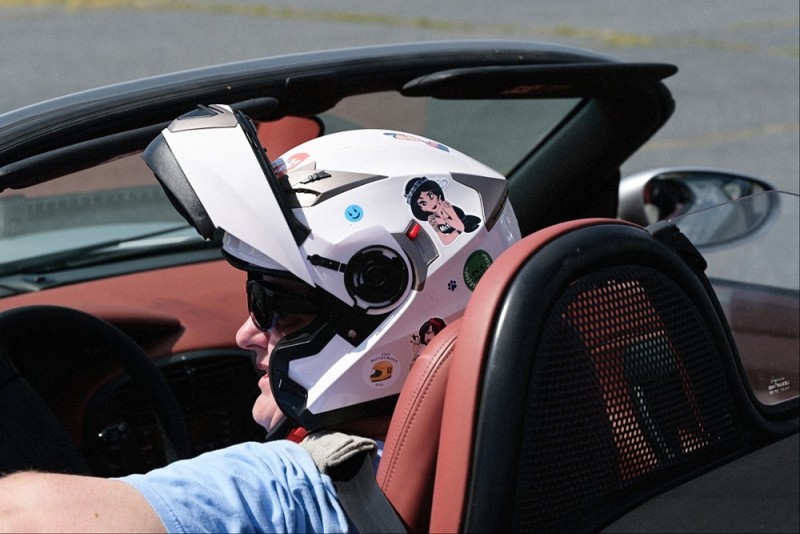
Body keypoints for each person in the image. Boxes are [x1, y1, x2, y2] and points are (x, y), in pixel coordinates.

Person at [0, 105, 520, 533]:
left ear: (384, 304)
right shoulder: (530, 433)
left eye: (279, 308)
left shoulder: (292, 495)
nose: (247, 334)